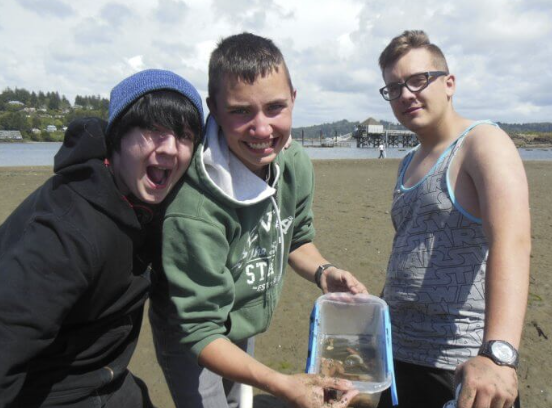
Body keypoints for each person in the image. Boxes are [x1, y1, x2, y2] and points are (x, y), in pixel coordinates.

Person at [149, 32, 367, 408]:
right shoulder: (194, 210)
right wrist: (282, 384)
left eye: (275, 108)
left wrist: (324, 272)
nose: (262, 129)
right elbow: (201, 329)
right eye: (240, 111)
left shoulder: (294, 163)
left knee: (240, 401)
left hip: (242, 317)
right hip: (192, 330)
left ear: (294, 99)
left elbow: (295, 237)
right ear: (213, 109)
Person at [0, 69, 204, 407]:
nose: (170, 148)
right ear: (118, 136)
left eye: (184, 136)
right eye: (154, 130)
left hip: (108, 377)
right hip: (47, 390)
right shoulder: (65, 231)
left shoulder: (150, 198)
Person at [376, 30, 530, 408]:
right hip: (396, 353)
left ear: (449, 83)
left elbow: (511, 241)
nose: (405, 94)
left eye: (417, 80)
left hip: (459, 361)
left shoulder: (482, 142)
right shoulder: (407, 161)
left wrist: (499, 355)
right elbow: (409, 248)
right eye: (393, 88)